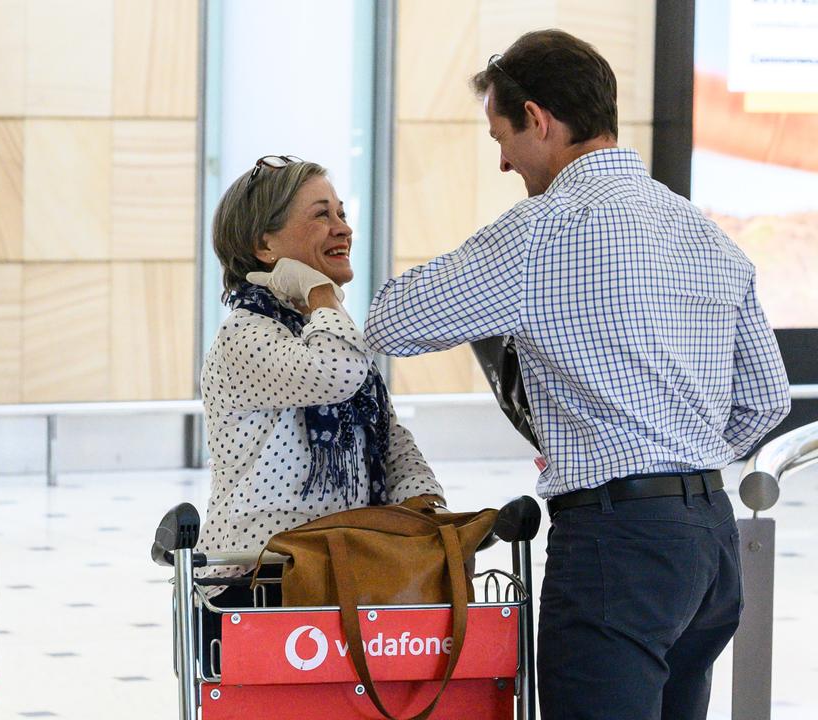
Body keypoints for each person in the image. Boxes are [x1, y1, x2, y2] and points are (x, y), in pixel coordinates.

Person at [364, 30, 791, 720]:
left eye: (501, 136)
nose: (503, 162)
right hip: (710, 540)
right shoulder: (704, 231)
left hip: (616, 547)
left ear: (539, 118)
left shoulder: (543, 231)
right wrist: (674, 447)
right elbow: (766, 399)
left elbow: (391, 321)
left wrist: (612, 457)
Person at [198, 155, 445, 610]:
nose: (343, 229)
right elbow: (337, 374)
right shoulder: (246, 334)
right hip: (256, 583)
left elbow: (390, 440)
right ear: (265, 246)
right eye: (320, 215)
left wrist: (426, 507)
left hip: (340, 571)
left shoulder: (326, 330)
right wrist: (320, 293)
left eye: (342, 214)